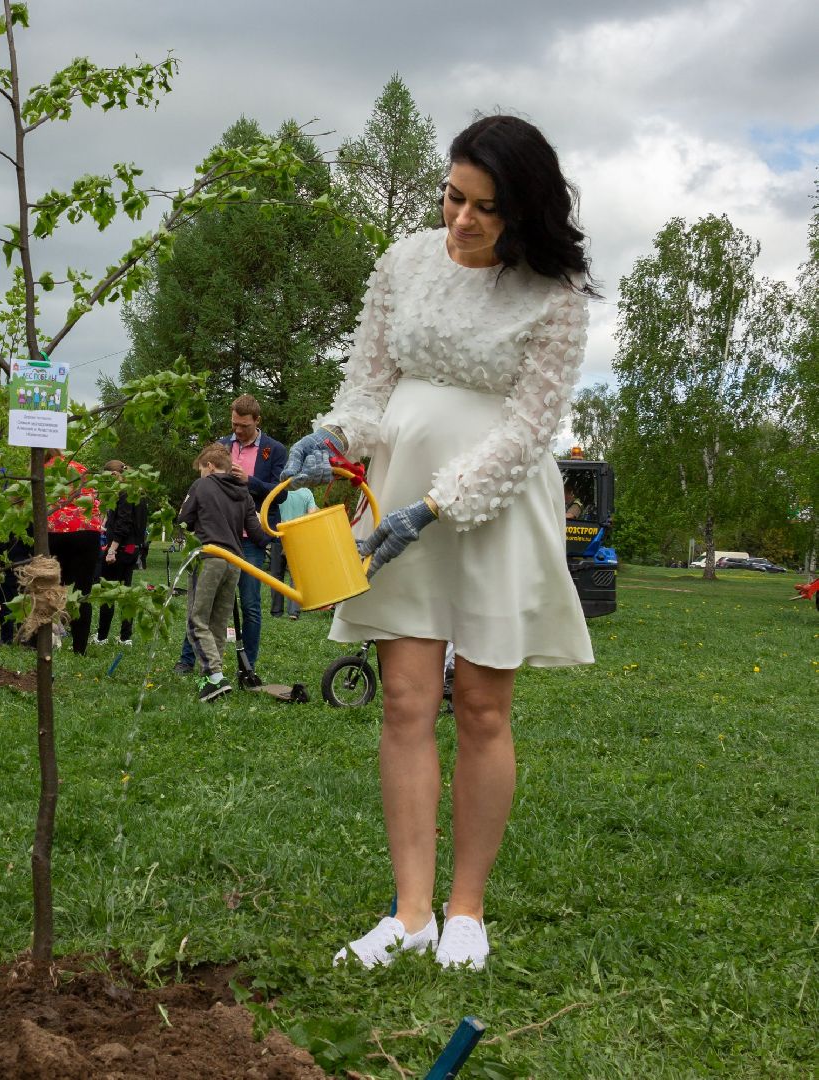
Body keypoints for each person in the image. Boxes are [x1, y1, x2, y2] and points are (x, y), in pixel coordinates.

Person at [283, 114, 596, 972]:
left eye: (485, 208)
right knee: (405, 703)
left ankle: (466, 910)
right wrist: (339, 437)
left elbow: (530, 428)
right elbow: (369, 378)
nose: (461, 220)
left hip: (490, 501)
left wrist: (433, 506)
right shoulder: (403, 260)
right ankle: (411, 913)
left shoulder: (554, 297)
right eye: (454, 197)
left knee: (485, 709)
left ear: (525, 209)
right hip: (393, 483)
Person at [172, 395, 286, 677]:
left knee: (249, 605)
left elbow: (281, 492)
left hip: (249, 536)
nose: (237, 431)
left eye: (244, 426)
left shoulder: (275, 450)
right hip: (215, 538)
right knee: (204, 604)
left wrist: (250, 482)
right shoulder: (221, 446)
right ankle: (189, 660)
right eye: (234, 424)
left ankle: (247, 666)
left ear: (257, 422)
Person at [178, 443, 266, 703]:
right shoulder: (244, 493)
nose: (200, 476)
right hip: (234, 562)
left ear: (210, 466)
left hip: (209, 557)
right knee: (217, 623)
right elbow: (258, 535)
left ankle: (214, 676)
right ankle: (211, 678)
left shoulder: (202, 486)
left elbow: (183, 519)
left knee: (197, 620)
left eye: (201, 471)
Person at [44, 449, 104, 654]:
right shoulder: (80, 468)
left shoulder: (42, 470)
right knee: (82, 591)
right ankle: (80, 647)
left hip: (55, 532)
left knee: (49, 589)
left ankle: (43, 641)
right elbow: (96, 502)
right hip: (87, 533)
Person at [94, 459, 148, 646]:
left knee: (108, 592)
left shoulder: (124, 493)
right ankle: (126, 637)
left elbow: (123, 524)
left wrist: (112, 550)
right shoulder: (139, 492)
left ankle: (101, 636)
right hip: (133, 549)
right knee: (126, 593)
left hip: (120, 549)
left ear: (115, 475)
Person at [267, 483, 318, 619]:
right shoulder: (307, 492)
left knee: (277, 576)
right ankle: (293, 612)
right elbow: (312, 514)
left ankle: (276, 612)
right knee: (296, 576)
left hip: (279, 536)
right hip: (298, 538)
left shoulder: (279, 491)